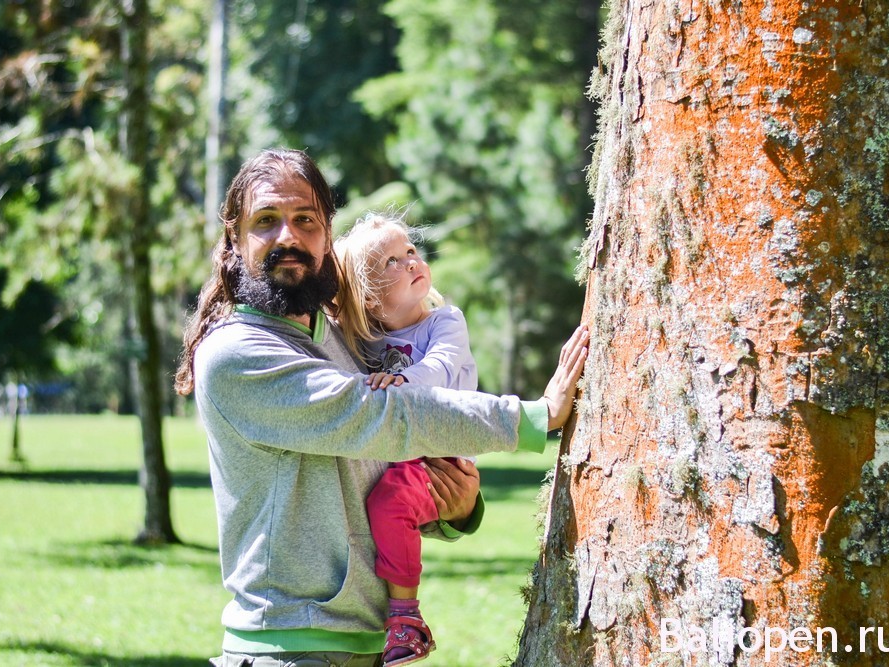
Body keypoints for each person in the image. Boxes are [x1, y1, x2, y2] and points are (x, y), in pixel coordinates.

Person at [174, 148, 589, 667]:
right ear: (235, 242)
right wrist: (532, 417)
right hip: (289, 649)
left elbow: (373, 473)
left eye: (306, 219)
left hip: (364, 645)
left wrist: (453, 507)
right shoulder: (238, 354)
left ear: (327, 237)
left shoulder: (343, 340)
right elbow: (383, 419)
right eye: (266, 221)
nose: (288, 236)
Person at [334, 210, 477, 665]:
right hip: (399, 456)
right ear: (371, 301)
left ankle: (406, 617)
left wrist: (400, 382)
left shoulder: (444, 321)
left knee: (389, 502)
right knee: (383, 503)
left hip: (441, 459)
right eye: (392, 262)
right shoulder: (364, 344)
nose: (411, 261)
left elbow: (441, 368)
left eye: (410, 251)